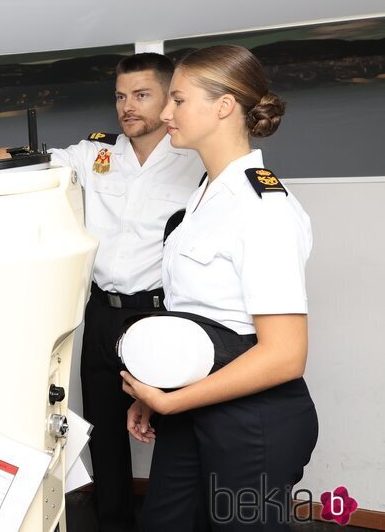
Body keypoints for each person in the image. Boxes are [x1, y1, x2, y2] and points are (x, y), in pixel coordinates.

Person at [0, 53, 205, 531]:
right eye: (121, 96)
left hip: (162, 315)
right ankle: (114, 523)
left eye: (142, 95)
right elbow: (29, 158)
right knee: (105, 434)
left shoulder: (195, 161)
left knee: (177, 434)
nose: (128, 106)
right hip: (103, 313)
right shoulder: (99, 152)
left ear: (170, 99)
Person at [121, 45, 319, 531]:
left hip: (253, 422)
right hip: (194, 404)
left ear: (224, 106)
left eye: (179, 101)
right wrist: (158, 391)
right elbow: (197, 317)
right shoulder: (204, 198)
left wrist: (172, 401)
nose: (165, 113)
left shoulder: (261, 206)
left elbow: (285, 355)